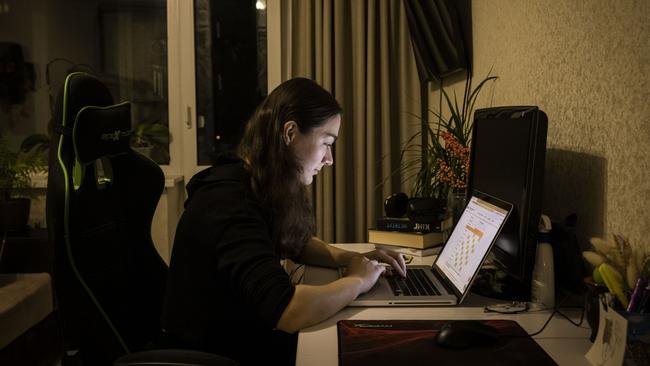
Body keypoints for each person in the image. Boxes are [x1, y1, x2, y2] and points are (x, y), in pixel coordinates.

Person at [161, 77, 407, 365]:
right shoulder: (230, 202)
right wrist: (358, 281)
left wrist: (355, 258)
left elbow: (296, 243)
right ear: (290, 132)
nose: (330, 159)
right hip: (216, 351)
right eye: (326, 143)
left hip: (237, 333)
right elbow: (287, 311)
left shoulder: (254, 180)